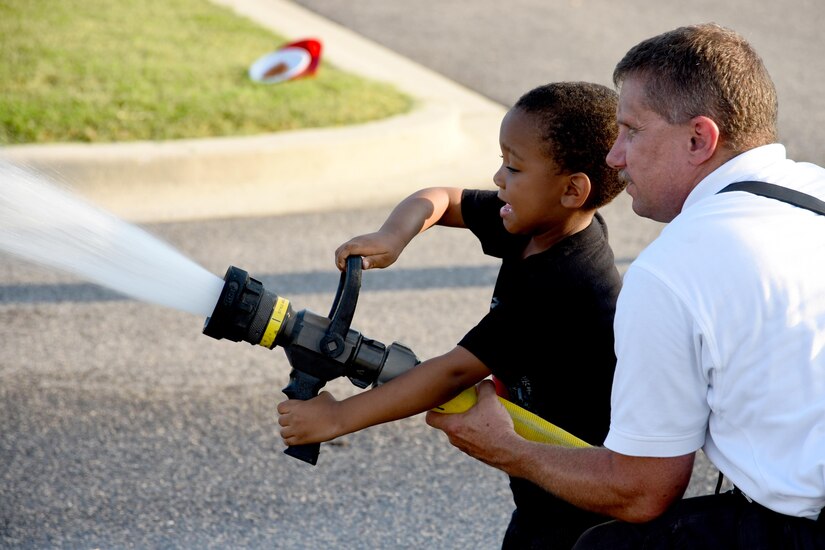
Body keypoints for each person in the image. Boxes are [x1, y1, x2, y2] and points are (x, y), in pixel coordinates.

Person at [425, 23, 825, 549]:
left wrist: (506, 447)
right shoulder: (814, 188)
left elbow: (642, 490)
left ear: (698, 139)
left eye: (631, 131)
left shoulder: (673, 269)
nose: (614, 157)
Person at [277, 81, 627, 548]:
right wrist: (392, 236)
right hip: (547, 482)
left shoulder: (566, 280)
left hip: (581, 498)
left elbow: (453, 372)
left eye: (514, 166)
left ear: (572, 190)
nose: (499, 177)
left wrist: (337, 419)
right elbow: (441, 198)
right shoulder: (541, 223)